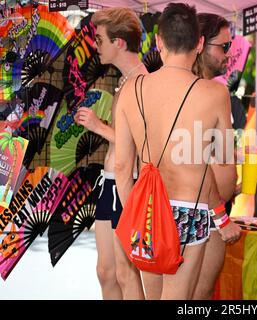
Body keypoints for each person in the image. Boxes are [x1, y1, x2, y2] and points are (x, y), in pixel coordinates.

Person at [114, 3, 240, 300]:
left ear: (158, 42)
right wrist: (222, 217)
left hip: (145, 209)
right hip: (189, 210)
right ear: (198, 44)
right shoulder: (214, 94)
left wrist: (135, 214)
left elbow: (122, 167)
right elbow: (222, 162)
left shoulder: (130, 89)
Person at [74, 7, 148, 300]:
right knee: (106, 271)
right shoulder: (124, 81)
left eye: (101, 39)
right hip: (110, 182)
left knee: (125, 273)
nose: (96, 45)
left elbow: (144, 144)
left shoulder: (141, 82)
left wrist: (98, 126)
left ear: (119, 43)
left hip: (125, 183)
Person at [191, 13, 242, 300]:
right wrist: (221, 217)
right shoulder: (203, 92)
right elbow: (193, 161)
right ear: (200, 44)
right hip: (204, 209)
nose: (229, 53)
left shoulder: (209, 90)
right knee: (194, 294)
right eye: (223, 46)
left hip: (213, 206)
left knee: (202, 291)